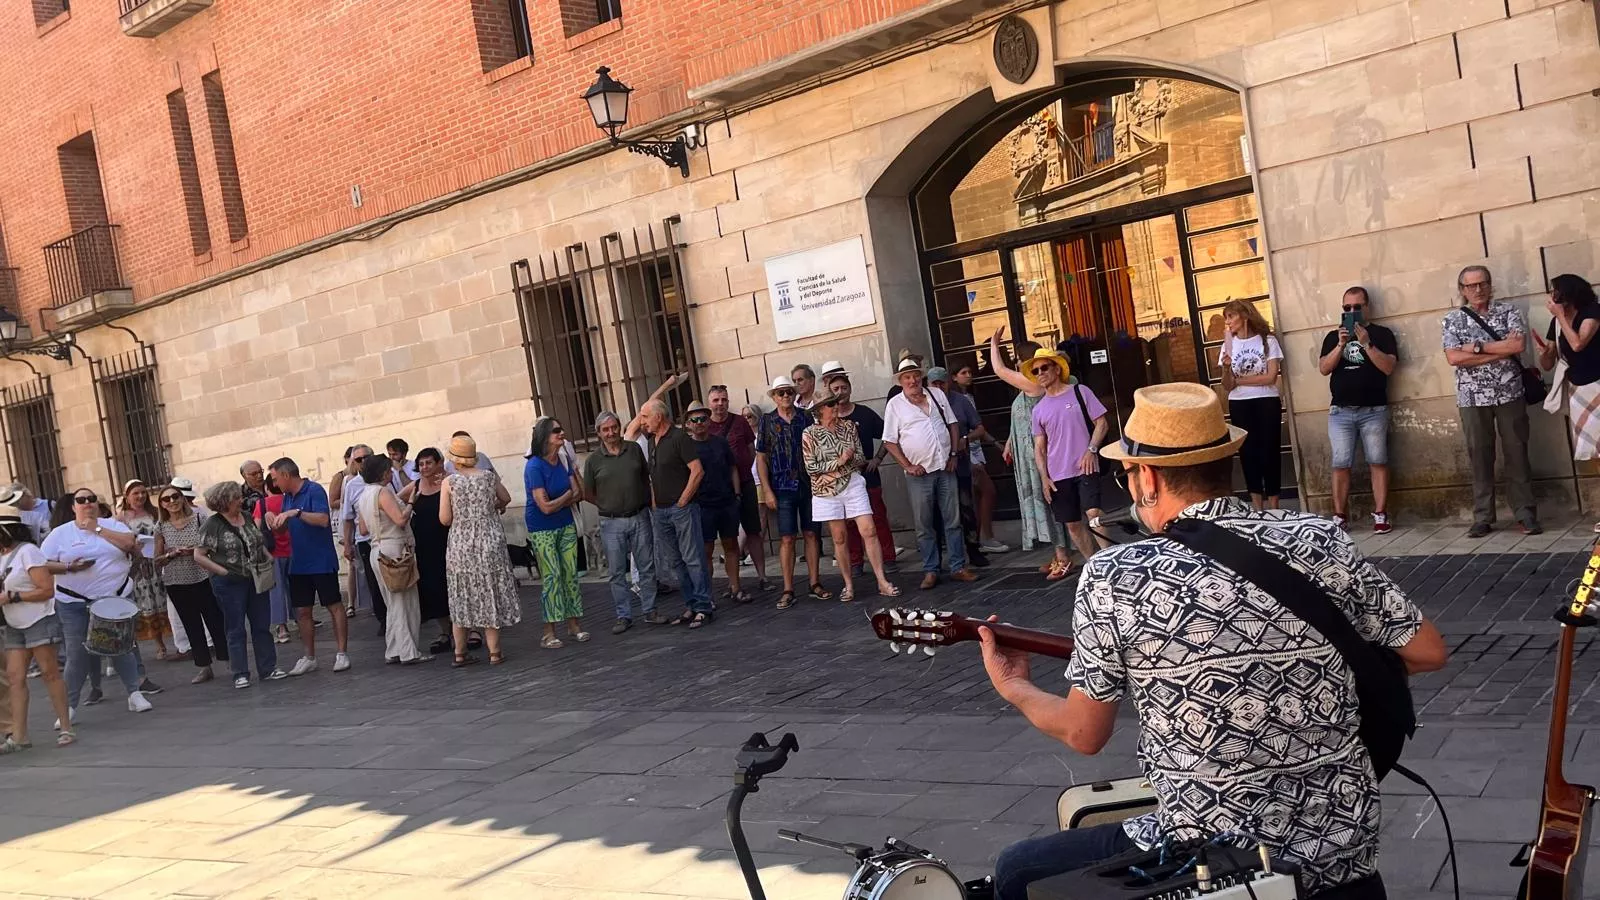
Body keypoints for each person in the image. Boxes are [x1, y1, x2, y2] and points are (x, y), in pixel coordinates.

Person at [981, 381, 1449, 900]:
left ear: (1150, 479)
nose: (1129, 485)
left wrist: (1014, 687)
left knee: (1017, 870)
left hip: (1212, 857)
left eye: (1128, 472)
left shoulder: (1117, 574)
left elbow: (1083, 734)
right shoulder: (1319, 538)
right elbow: (1428, 650)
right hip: (1342, 853)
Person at [1443, 264, 1539, 537]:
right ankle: (1483, 516)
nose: (1478, 289)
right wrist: (1498, 350)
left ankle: (1525, 513)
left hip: (1509, 393)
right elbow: (1453, 358)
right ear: (1462, 290)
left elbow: (1517, 346)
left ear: (1490, 284)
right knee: (1480, 456)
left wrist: (1474, 348)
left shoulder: (1508, 312)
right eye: (1471, 285)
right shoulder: (1453, 320)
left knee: (1517, 453)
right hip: (1472, 397)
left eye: (1482, 283)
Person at [43, 488, 151, 716]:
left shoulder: (112, 525)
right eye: (80, 500)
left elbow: (130, 543)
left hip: (115, 597)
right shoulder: (60, 534)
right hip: (74, 602)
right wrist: (69, 567)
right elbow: (43, 564)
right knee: (77, 654)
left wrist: (97, 529)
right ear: (73, 507)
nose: (87, 503)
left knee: (122, 647)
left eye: (91, 499)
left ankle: (134, 693)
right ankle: (69, 706)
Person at [882, 357, 976, 590]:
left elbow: (953, 425)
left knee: (952, 520)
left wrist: (954, 454)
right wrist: (907, 465)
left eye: (915, 375)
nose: (912, 380)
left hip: (945, 466)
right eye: (907, 377)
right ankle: (931, 569)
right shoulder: (895, 404)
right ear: (901, 381)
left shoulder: (936, 394)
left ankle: (957, 567)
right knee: (924, 524)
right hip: (919, 474)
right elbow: (889, 442)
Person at [1021, 347, 1107, 580]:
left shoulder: (1080, 392)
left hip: (1085, 465)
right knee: (1072, 525)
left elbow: (1101, 423)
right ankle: (1095, 566)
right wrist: (1044, 479)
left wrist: (1091, 450)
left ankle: (1110, 561)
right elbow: (1039, 448)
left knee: (1094, 514)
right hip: (1058, 474)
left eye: (1044, 367)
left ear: (1057, 368)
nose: (1040, 373)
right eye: (1036, 370)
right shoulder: (1039, 409)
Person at [803, 394, 898, 601]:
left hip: (852, 483)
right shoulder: (809, 433)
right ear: (819, 409)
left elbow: (860, 457)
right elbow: (811, 467)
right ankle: (848, 584)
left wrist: (846, 462)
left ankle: (882, 580)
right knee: (839, 537)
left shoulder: (848, 426)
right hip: (826, 491)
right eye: (830, 404)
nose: (835, 406)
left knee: (869, 530)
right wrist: (839, 461)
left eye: (835, 402)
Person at [1318, 287, 1398, 533]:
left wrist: (1366, 343)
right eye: (1346, 308)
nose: (1352, 312)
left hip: (1373, 410)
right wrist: (1341, 345)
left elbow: (1388, 367)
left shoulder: (1382, 334)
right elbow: (1323, 368)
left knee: (1378, 460)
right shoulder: (1334, 336)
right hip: (1341, 411)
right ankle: (1340, 516)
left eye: (1356, 307)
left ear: (1367, 307)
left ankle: (1381, 514)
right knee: (1341, 463)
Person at [194, 481, 287, 688]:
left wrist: (267, 556)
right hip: (229, 583)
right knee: (235, 628)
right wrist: (221, 571)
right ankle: (240, 673)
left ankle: (268, 668)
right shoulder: (212, 525)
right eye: (236, 497)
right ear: (224, 501)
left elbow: (256, 541)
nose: (241, 500)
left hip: (256, 577)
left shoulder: (245, 517)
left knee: (262, 625)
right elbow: (199, 555)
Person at [633, 398, 714, 628]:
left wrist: (683, 500)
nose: (642, 421)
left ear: (659, 416)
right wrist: (655, 503)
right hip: (661, 511)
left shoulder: (679, 438)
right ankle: (690, 604)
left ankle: (703, 606)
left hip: (682, 509)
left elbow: (697, 471)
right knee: (676, 561)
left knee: (693, 558)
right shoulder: (651, 441)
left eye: (645, 416)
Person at [440, 434, 520, 665]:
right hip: (489, 540)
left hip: (461, 545)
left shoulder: (450, 483)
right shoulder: (487, 477)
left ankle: (460, 653)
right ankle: (495, 652)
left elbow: (445, 519)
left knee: (461, 595)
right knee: (489, 593)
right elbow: (505, 497)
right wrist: (489, 508)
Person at [268, 457, 351, 675]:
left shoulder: (313, 490)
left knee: (333, 605)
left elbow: (323, 520)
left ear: (286, 475)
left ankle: (342, 653)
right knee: (303, 611)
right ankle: (309, 656)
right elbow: (284, 531)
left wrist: (297, 513)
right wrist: (275, 523)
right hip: (299, 563)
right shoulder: (286, 497)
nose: (275, 484)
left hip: (321, 560)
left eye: (276, 479)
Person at [0, 503, 72, 753]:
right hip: (13, 622)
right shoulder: (2, 556)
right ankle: (19, 736)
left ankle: (65, 726)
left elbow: (46, 589)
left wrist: (14, 596)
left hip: (38, 620)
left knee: (49, 673)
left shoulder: (28, 552)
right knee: (15, 677)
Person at [583, 411, 663, 635]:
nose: (611, 433)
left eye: (614, 428)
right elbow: (587, 492)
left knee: (646, 566)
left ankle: (650, 610)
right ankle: (623, 615)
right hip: (611, 522)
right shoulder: (593, 461)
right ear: (599, 433)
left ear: (619, 427)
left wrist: (649, 502)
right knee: (617, 572)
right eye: (605, 430)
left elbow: (647, 478)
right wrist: (606, 503)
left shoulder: (634, 450)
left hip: (639, 516)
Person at [990, 331, 1068, 559]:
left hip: (1040, 453)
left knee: (1049, 501)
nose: (1015, 363)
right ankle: (1058, 553)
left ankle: (1062, 555)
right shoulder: (1028, 388)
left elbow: (999, 370)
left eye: (1017, 358)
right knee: (1045, 502)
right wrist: (1009, 443)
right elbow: (1023, 418)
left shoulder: (1034, 384)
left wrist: (995, 345)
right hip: (1027, 453)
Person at [757, 376, 829, 609]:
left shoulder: (806, 417)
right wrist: (767, 490)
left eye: (789, 392)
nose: (785, 396)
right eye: (781, 393)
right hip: (781, 487)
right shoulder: (767, 421)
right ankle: (788, 588)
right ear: (774, 396)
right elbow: (761, 457)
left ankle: (814, 583)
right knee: (787, 538)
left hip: (808, 485)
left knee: (811, 534)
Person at [1535, 273, 1600, 531]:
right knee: (1596, 454)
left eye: (1555, 291)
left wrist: (1561, 316)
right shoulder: (1556, 322)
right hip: (1579, 391)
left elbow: (1578, 343)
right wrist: (1545, 354)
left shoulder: (1592, 312)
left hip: (1598, 385)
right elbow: (1549, 363)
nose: (1552, 296)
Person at [821, 363, 897, 577]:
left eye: (843, 388)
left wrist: (878, 458)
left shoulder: (864, 414)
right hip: (842, 480)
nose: (840, 393)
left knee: (878, 517)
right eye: (835, 389)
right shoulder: (828, 419)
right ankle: (856, 562)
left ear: (850, 389)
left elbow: (888, 434)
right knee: (849, 524)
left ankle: (888, 558)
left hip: (868, 476)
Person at [353, 455, 427, 664]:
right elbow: (401, 520)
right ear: (384, 472)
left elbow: (363, 528)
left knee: (392, 601)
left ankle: (393, 648)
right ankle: (408, 651)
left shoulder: (364, 494)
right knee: (405, 601)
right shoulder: (382, 492)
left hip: (377, 549)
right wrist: (411, 502)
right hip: (394, 549)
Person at [155, 480, 228, 685]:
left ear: (182, 498)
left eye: (175, 497)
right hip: (175, 580)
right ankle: (204, 666)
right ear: (162, 504)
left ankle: (229, 660)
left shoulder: (199, 518)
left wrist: (196, 550)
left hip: (203, 576)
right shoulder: (161, 526)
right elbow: (156, 559)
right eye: (166, 499)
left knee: (215, 619)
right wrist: (171, 554)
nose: (172, 502)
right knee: (191, 624)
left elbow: (215, 544)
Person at [525, 418, 588, 649]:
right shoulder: (534, 466)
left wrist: (559, 501)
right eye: (556, 431)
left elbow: (578, 493)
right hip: (542, 527)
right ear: (544, 437)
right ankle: (549, 632)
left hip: (565, 523)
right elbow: (545, 507)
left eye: (562, 429)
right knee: (552, 577)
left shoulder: (563, 459)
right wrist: (564, 499)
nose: (562, 434)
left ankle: (574, 625)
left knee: (570, 573)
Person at [1219, 298, 1285, 510]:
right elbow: (1227, 385)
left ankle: (1274, 504)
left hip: (1266, 401)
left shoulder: (1267, 341)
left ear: (1245, 316)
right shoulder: (1228, 345)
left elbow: (1270, 377)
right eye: (1226, 318)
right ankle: (1258, 506)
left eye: (1231, 316)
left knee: (1270, 450)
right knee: (1248, 453)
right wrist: (1227, 368)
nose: (1228, 322)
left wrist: (1239, 380)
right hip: (1240, 403)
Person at [929, 365, 992, 569]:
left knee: (966, 508)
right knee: (936, 513)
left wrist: (966, 439)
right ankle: (937, 559)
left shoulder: (960, 401)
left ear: (949, 382)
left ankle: (973, 550)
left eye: (942, 382)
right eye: (934, 383)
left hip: (960, 464)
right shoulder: (922, 402)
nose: (939, 387)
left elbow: (980, 428)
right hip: (935, 466)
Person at [707, 385, 767, 590]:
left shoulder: (740, 422)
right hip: (721, 490)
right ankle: (734, 584)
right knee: (729, 538)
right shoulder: (704, 426)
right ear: (709, 403)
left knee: (753, 531)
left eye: (723, 399)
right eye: (716, 400)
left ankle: (762, 577)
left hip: (746, 483)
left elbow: (752, 452)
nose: (720, 404)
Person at [686, 401, 747, 604]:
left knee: (731, 546)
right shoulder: (687, 448)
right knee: (706, 551)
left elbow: (733, 468)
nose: (699, 422)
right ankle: (707, 595)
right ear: (688, 423)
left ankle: (735, 587)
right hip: (703, 506)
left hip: (727, 502)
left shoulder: (720, 442)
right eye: (694, 419)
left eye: (703, 418)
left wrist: (737, 494)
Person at [399, 447, 454, 653]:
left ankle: (470, 630)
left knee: (454, 586)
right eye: (421, 464)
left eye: (429, 463)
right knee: (433, 589)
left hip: (449, 542)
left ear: (439, 463)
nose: (424, 467)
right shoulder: (415, 486)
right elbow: (395, 502)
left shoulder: (450, 482)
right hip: (425, 545)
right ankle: (445, 631)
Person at [952, 361, 1007, 554]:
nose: (969, 375)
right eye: (963, 371)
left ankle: (977, 538)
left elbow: (979, 426)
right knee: (987, 491)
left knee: (976, 496)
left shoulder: (968, 397)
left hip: (975, 449)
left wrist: (996, 443)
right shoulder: (955, 400)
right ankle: (986, 536)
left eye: (969, 371)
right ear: (954, 377)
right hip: (967, 452)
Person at [116, 479, 171, 660]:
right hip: (139, 566)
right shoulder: (121, 518)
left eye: (143, 492)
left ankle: (178, 639)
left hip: (158, 562)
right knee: (147, 604)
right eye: (135, 493)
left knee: (165, 600)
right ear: (127, 496)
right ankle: (159, 643)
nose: (140, 496)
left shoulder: (155, 513)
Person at [340, 444, 388, 630]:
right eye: (357, 460)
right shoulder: (351, 485)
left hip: (387, 535)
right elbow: (347, 518)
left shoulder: (386, 477)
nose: (362, 463)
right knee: (374, 581)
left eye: (365, 458)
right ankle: (383, 619)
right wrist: (347, 544)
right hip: (365, 540)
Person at [328, 446, 368, 618]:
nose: (362, 462)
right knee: (353, 566)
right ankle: (351, 602)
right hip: (351, 526)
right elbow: (334, 502)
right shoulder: (343, 478)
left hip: (365, 530)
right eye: (358, 459)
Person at [255, 473, 293, 644]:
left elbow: (256, 530)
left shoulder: (262, 504)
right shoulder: (289, 500)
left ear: (266, 487)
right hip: (292, 550)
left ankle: (282, 627)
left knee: (276, 590)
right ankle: (301, 618)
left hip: (273, 552)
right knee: (295, 587)